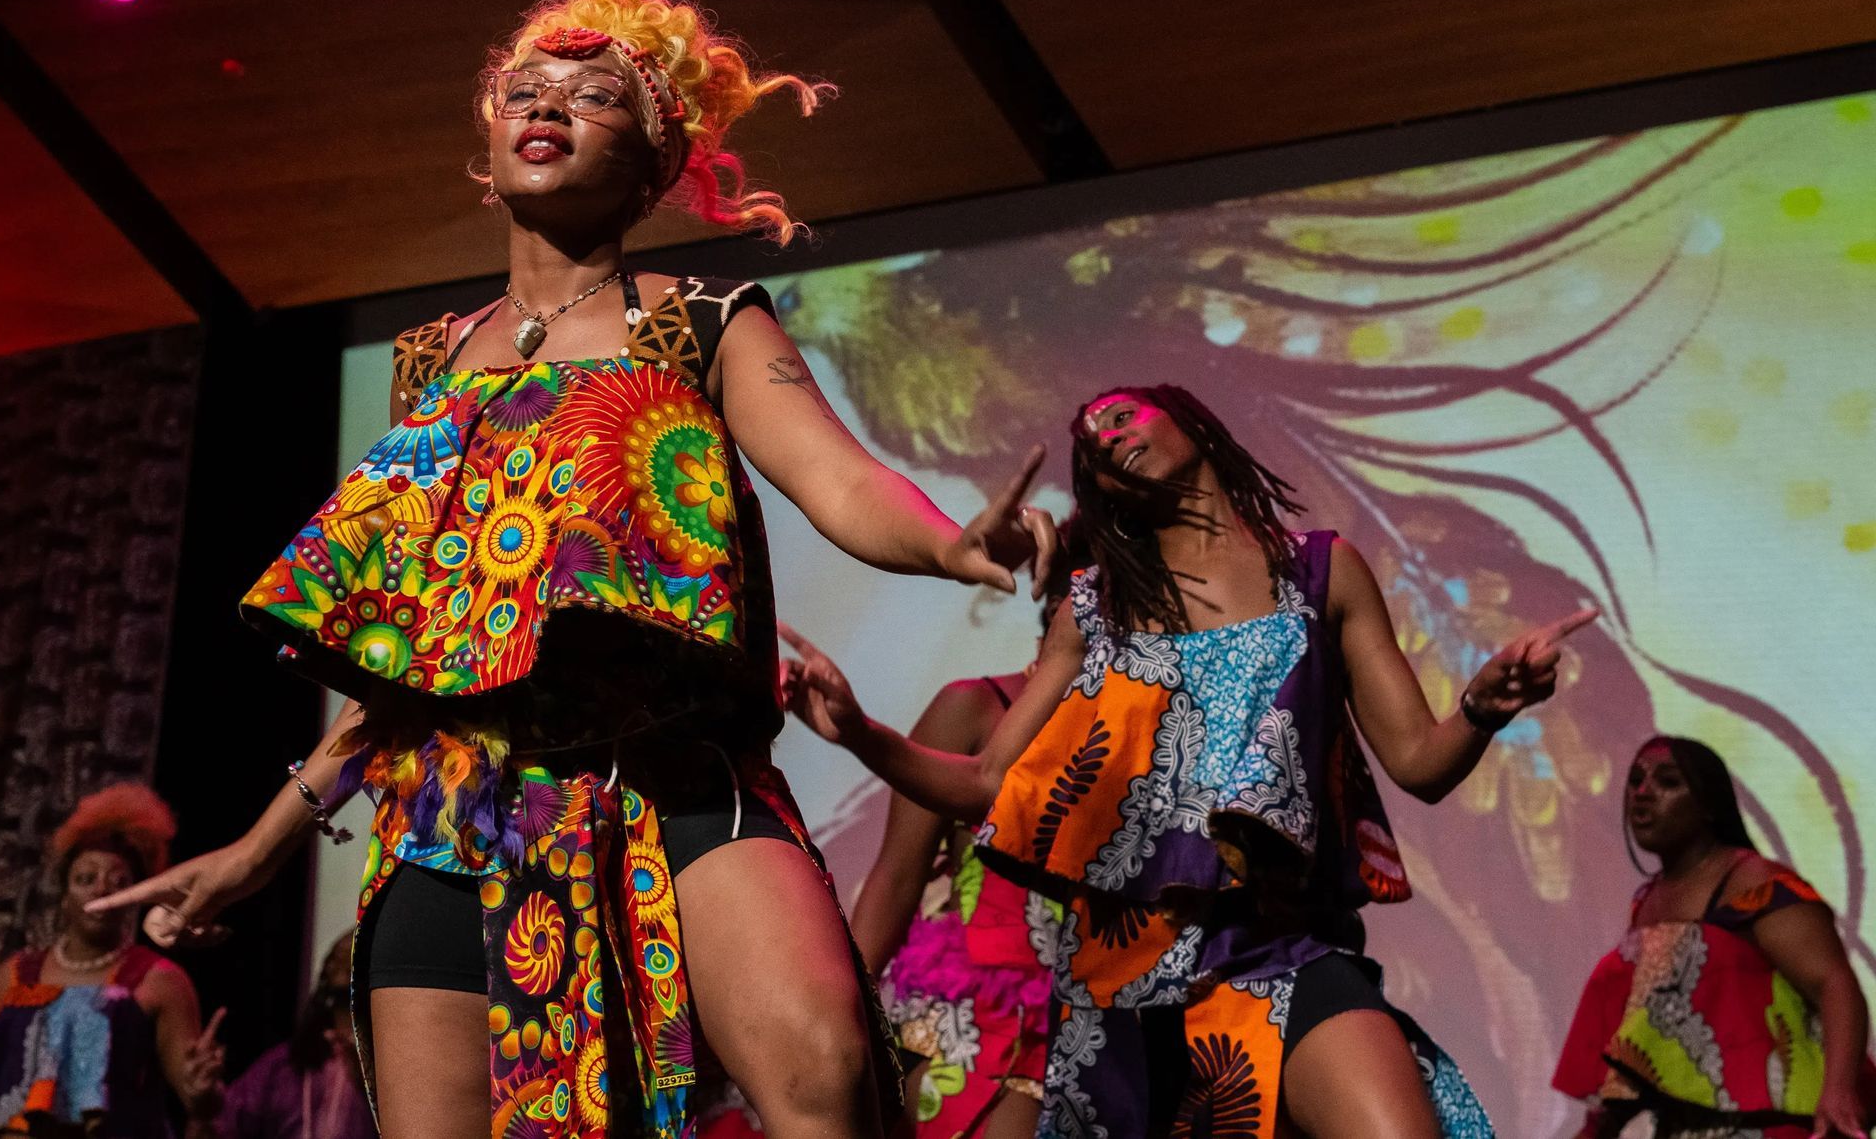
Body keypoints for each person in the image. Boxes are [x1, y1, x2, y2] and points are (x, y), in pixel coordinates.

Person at [89, 0, 1055, 1139]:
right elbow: (410, 660)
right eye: (523, 91)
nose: (547, 106)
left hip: (670, 779)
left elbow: (840, 480)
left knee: (824, 1075)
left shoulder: (694, 320)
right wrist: (256, 850)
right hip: (456, 813)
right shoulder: (429, 365)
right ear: (490, 143)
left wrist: (950, 544)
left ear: (653, 166)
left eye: (597, 95)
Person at [789, 382, 1599, 1138]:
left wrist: (1483, 709)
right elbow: (985, 783)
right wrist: (861, 730)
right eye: (1090, 444)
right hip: (1122, 996)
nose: (1107, 441)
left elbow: (1420, 761)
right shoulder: (1095, 607)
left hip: (1282, 950)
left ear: (1193, 422)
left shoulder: (1322, 571)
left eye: (1121, 417)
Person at [787, 543, 1085, 1139]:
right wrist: (839, 1036)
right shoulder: (976, 707)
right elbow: (896, 879)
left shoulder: (1142, 728)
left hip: (1088, 1019)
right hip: (969, 1015)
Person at [1553, 736, 1874, 1138]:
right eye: (1635, 781)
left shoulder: (1755, 882)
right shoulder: (1646, 903)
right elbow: (1646, 1041)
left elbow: (1834, 983)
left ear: (1708, 804)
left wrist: (1839, 1091)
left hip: (1772, 1126)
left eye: (1668, 782)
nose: (1642, 794)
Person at [0, 785, 225, 1137]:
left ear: (135, 896)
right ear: (64, 896)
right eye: (85, 879)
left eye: (119, 881)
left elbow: (195, 1096)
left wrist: (203, 1092)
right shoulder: (16, 974)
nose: (101, 889)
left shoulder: (158, 982)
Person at [204, 929, 373, 1139]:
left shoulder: (389, 1068)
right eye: (335, 957)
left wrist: (365, 1078)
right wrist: (202, 1109)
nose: (344, 956)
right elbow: (224, 1125)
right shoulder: (284, 1066)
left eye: (356, 955)